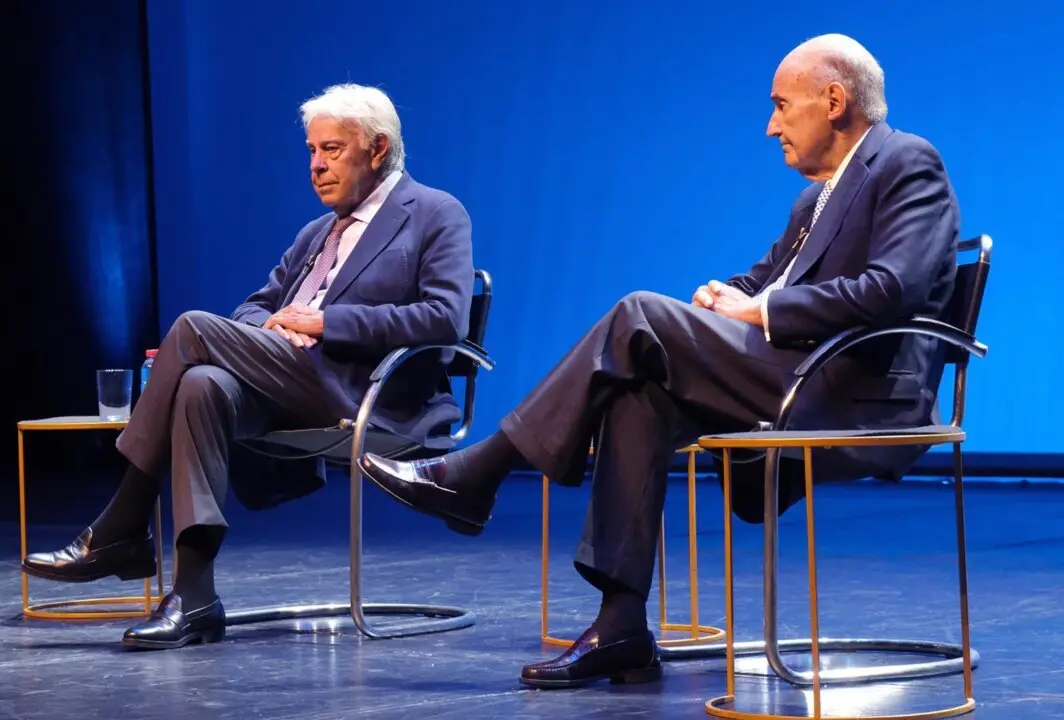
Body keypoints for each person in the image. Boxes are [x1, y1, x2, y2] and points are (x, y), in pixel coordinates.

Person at [360, 34, 961, 688]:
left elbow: (890, 289)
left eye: (782, 106)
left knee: (638, 314)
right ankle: (621, 626)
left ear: (835, 101)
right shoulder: (813, 199)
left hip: (855, 392)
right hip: (794, 374)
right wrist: (726, 296)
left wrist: (756, 312)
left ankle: (480, 470)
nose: (771, 126)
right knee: (636, 391)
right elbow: (765, 280)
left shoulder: (906, 162)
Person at [22, 83, 475, 650]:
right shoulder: (317, 234)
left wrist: (325, 323)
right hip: (291, 381)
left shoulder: (434, 213)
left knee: (190, 328)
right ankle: (195, 598)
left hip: (367, 393)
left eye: (331, 150)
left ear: (377, 149)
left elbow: (444, 318)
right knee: (201, 385)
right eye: (311, 151)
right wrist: (275, 327)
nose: (315, 166)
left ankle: (122, 523)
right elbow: (254, 308)